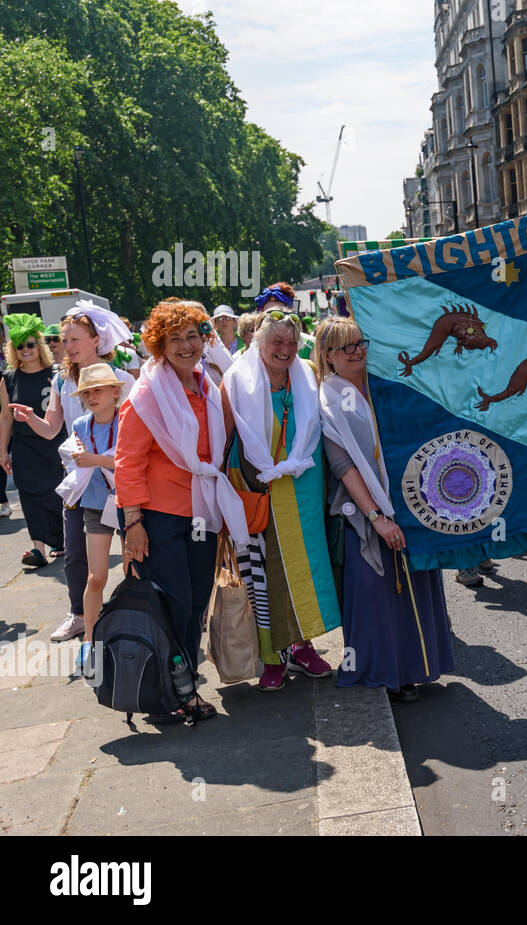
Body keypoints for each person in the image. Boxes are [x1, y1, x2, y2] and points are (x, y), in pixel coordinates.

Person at [116, 301, 249, 724]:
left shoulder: (207, 387)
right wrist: (133, 524)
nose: (187, 345)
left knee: (194, 603)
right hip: (160, 518)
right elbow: (127, 462)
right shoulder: (145, 396)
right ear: (159, 345)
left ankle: (183, 678)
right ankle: (176, 691)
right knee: (172, 603)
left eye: (193, 336)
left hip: (200, 515)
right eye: (176, 339)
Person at [315, 318, 455, 703]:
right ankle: (386, 674)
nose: (358, 351)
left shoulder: (380, 384)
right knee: (376, 592)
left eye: (361, 342)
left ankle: (417, 666)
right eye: (348, 347)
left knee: (416, 583)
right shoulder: (328, 398)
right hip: (362, 512)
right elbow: (344, 466)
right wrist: (377, 517)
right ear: (328, 356)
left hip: (408, 500)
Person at [222, 308, 340, 692]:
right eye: (277, 341)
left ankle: (303, 645)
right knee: (264, 570)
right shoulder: (236, 380)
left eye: (291, 342)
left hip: (303, 484)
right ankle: (272, 657)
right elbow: (222, 438)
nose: (285, 350)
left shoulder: (307, 374)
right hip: (257, 485)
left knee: (303, 566)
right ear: (259, 340)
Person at [15, 302, 134, 643]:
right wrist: (30, 419)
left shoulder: (121, 380)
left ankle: (136, 616)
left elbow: (133, 435)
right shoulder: (61, 380)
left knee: (134, 558)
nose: (66, 346)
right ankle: (80, 617)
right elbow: (53, 429)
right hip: (80, 483)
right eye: (62, 340)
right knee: (75, 556)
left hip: (119, 482)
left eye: (72, 339)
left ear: (96, 340)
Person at [54, 363, 125, 676]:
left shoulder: (128, 420)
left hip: (130, 505)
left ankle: (139, 631)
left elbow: (132, 461)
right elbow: (76, 459)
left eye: (99, 390)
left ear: (115, 392)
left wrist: (95, 460)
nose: (93, 397)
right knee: (96, 577)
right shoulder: (81, 424)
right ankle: (91, 640)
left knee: (133, 572)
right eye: (87, 392)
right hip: (96, 506)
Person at [0, 315, 65, 574]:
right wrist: (2, 449)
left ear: (39, 345)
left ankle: (61, 541)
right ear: (12, 350)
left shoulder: (56, 374)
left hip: (54, 446)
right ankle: (38, 548)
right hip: (25, 448)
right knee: (28, 495)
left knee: (56, 494)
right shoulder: (8, 379)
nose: (25, 350)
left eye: (30, 344)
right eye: (19, 346)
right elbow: (5, 417)